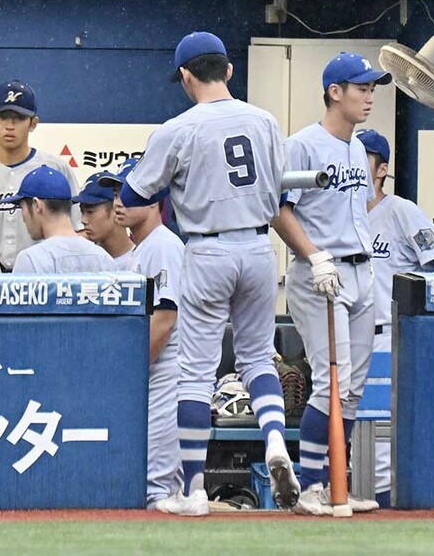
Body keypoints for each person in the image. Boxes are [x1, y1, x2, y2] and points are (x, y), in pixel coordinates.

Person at [119, 31, 299, 516]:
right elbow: (281, 195)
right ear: (229, 71)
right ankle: (276, 440)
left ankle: (195, 489)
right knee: (259, 359)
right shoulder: (264, 120)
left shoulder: (178, 128)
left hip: (208, 248)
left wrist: (176, 177)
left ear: (185, 76)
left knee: (196, 375)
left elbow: (134, 197)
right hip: (261, 246)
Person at [272, 52, 391, 516]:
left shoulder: (359, 148)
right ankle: (315, 486)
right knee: (330, 386)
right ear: (334, 91)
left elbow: (357, 211)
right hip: (322, 274)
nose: (369, 95)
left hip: (361, 270)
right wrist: (315, 255)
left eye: (371, 88)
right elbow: (278, 209)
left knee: (353, 389)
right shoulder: (302, 144)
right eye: (360, 87)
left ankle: (336, 484)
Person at [356, 128, 434, 507]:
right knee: (353, 440)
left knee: (382, 446)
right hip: (348, 337)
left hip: (386, 336)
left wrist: (415, 317)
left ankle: (387, 519)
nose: (355, 163)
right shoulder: (338, 214)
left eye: (364, 157)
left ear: (382, 168)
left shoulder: (400, 211)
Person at [100, 157, 182, 508]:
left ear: (154, 199)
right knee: (153, 487)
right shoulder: (141, 249)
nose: (118, 201)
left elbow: (165, 319)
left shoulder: (163, 244)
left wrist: (128, 374)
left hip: (169, 375)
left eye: (128, 193)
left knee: (156, 487)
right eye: (116, 193)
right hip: (153, 374)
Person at [0, 80, 82, 271]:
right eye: (4, 117)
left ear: (33, 123)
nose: (10, 125)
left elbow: (78, 230)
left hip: (42, 275)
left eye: (18, 117)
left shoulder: (55, 169)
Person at [1, 165, 115, 273]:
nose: (23, 218)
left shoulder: (31, 259)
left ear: (37, 205)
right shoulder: (104, 258)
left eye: (22, 207)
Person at [73, 170, 135, 270]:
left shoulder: (137, 261)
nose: (83, 220)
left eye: (90, 212)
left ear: (115, 211)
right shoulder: (81, 260)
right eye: (82, 211)